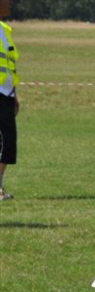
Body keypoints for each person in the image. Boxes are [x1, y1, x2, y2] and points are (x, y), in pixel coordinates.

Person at [0, 0, 18, 201]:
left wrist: (14, 94)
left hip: (6, 93)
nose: (10, 3)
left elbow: (9, 65)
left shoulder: (5, 30)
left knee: (7, 142)